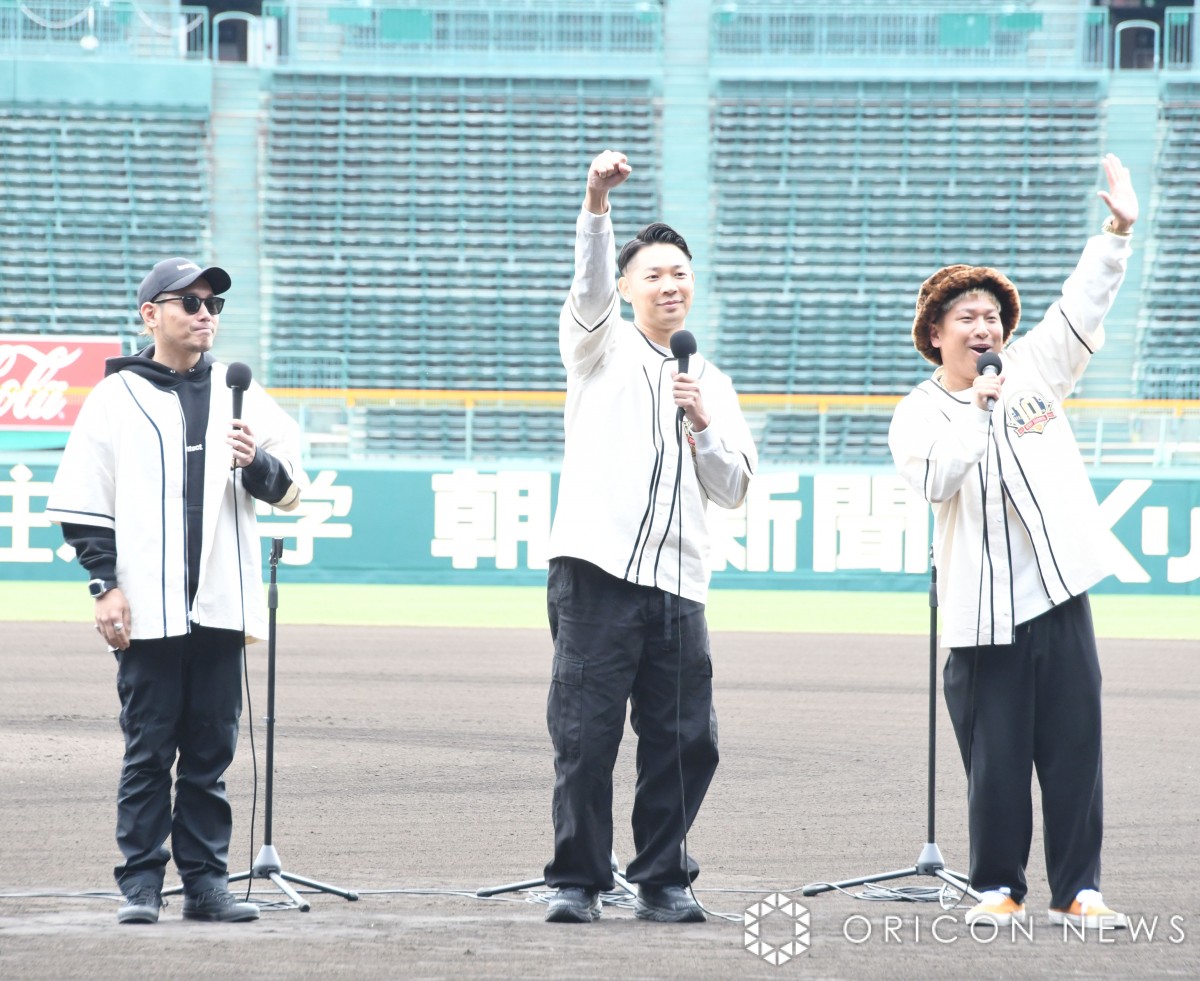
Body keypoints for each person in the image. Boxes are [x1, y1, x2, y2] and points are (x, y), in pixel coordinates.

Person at [888, 154, 1137, 931]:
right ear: (935, 335)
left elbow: (1081, 307)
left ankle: (1078, 889)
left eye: (992, 313)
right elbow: (937, 479)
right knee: (995, 766)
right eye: (965, 315)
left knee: (1074, 754)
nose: (985, 324)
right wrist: (976, 407)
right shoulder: (919, 411)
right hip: (980, 614)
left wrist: (1117, 232)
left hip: (1058, 598)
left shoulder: (1033, 370)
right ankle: (999, 885)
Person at [45, 258, 307, 925]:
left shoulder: (238, 390)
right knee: (149, 750)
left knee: (210, 752)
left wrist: (260, 463)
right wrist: (104, 584)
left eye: (214, 303)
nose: (204, 313)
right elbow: (83, 503)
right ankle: (139, 883)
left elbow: (291, 487)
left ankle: (205, 883)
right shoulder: (115, 395)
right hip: (146, 609)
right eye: (188, 301)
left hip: (221, 605)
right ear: (150, 314)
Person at [542, 150, 757, 924]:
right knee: (586, 735)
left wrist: (702, 424)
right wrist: (596, 203)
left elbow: (733, 487)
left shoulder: (715, 382)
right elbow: (589, 285)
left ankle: (662, 874)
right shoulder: (597, 346)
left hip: (680, 582)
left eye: (680, 272)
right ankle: (577, 877)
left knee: (686, 740)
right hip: (596, 572)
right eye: (654, 274)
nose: (671, 284)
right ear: (629, 289)